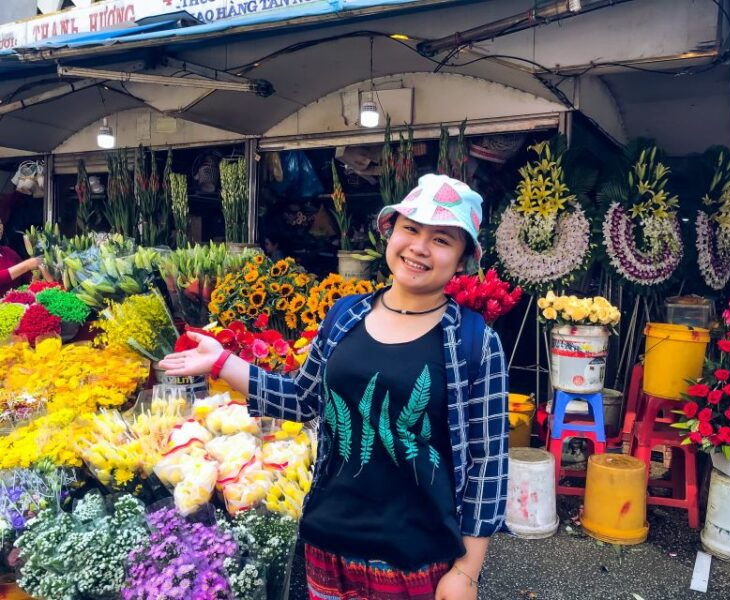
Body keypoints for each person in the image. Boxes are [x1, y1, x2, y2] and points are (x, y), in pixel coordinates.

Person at [161, 174, 509, 600]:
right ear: (390, 233)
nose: (419, 247)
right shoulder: (346, 315)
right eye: (410, 228)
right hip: (329, 544)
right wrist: (222, 361)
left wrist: (467, 572)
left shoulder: (473, 342)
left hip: (417, 560)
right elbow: (301, 398)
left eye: (441, 239)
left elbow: (488, 464)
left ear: (461, 258)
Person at [0, 219, 42, 296]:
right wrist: (26, 265)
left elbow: (26, 276)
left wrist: (34, 278)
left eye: (0, 223)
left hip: (16, 301)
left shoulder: (9, 252)